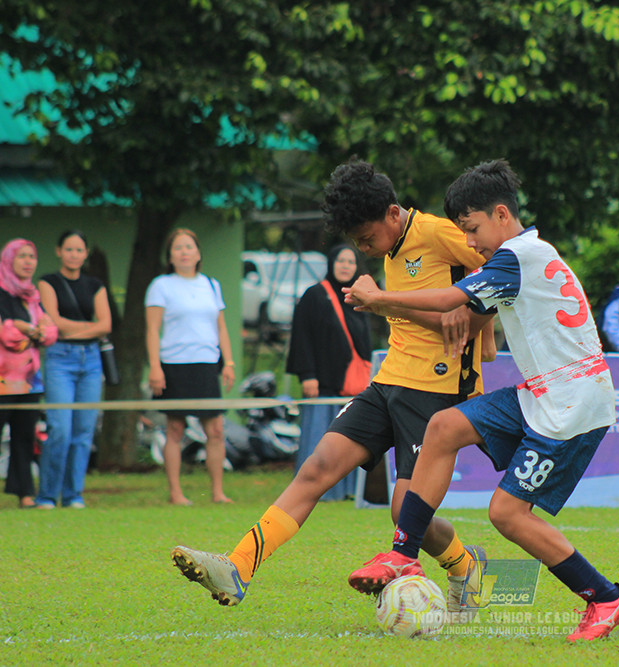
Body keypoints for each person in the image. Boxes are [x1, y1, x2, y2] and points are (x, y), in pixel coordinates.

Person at [169, 159, 495, 618]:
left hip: (438, 392)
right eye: (357, 242)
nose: (363, 249)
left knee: (405, 512)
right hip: (387, 383)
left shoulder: (441, 234)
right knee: (316, 467)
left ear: (393, 213)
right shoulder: (392, 249)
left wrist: (477, 325)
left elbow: (500, 281)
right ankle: (237, 566)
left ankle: (464, 564)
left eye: (366, 238)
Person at [346, 159, 619, 642]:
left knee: (506, 514)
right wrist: (476, 330)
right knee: (444, 427)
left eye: (473, 229)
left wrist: (380, 299)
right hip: (544, 391)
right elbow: (471, 314)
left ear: (502, 214)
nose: (471, 243)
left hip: (572, 402)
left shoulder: (516, 257)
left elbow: (446, 301)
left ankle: (605, 597)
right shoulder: (525, 255)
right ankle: (402, 553)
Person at [145, 228, 236, 506]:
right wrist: (155, 367)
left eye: (189, 247)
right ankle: (175, 493)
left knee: (216, 430)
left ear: (198, 253)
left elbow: (221, 327)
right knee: (175, 429)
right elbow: (152, 329)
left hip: (207, 364)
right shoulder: (161, 285)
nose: (184, 252)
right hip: (174, 365)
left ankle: (218, 492)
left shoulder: (211, 284)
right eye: (178, 248)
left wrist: (228, 362)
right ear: (170, 256)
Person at [286, 243, 372, 501]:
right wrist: (307, 375)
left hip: (353, 385)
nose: (346, 266)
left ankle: (347, 491)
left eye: (351, 261)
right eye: (341, 261)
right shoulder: (314, 296)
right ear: (331, 263)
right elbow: (301, 337)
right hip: (322, 383)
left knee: (349, 441)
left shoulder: (358, 297)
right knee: (319, 437)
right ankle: (316, 490)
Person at [34, 230, 113, 510]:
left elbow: (106, 325)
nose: (74, 255)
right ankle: (46, 496)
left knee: (83, 432)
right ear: (58, 251)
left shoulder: (95, 285)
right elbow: (54, 321)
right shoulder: (48, 281)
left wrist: (74, 328)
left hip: (91, 360)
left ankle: (73, 495)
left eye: (79, 250)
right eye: (69, 249)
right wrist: (88, 329)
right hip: (60, 358)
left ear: (86, 254)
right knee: (60, 429)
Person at [0, 239, 58, 508]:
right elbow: (7, 335)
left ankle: (24, 493)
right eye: (21, 256)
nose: (27, 261)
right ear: (9, 259)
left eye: (31, 256)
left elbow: (50, 332)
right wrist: (24, 328)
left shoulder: (33, 296)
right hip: (2, 380)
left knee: (24, 437)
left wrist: (30, 329)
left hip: (29, 381)